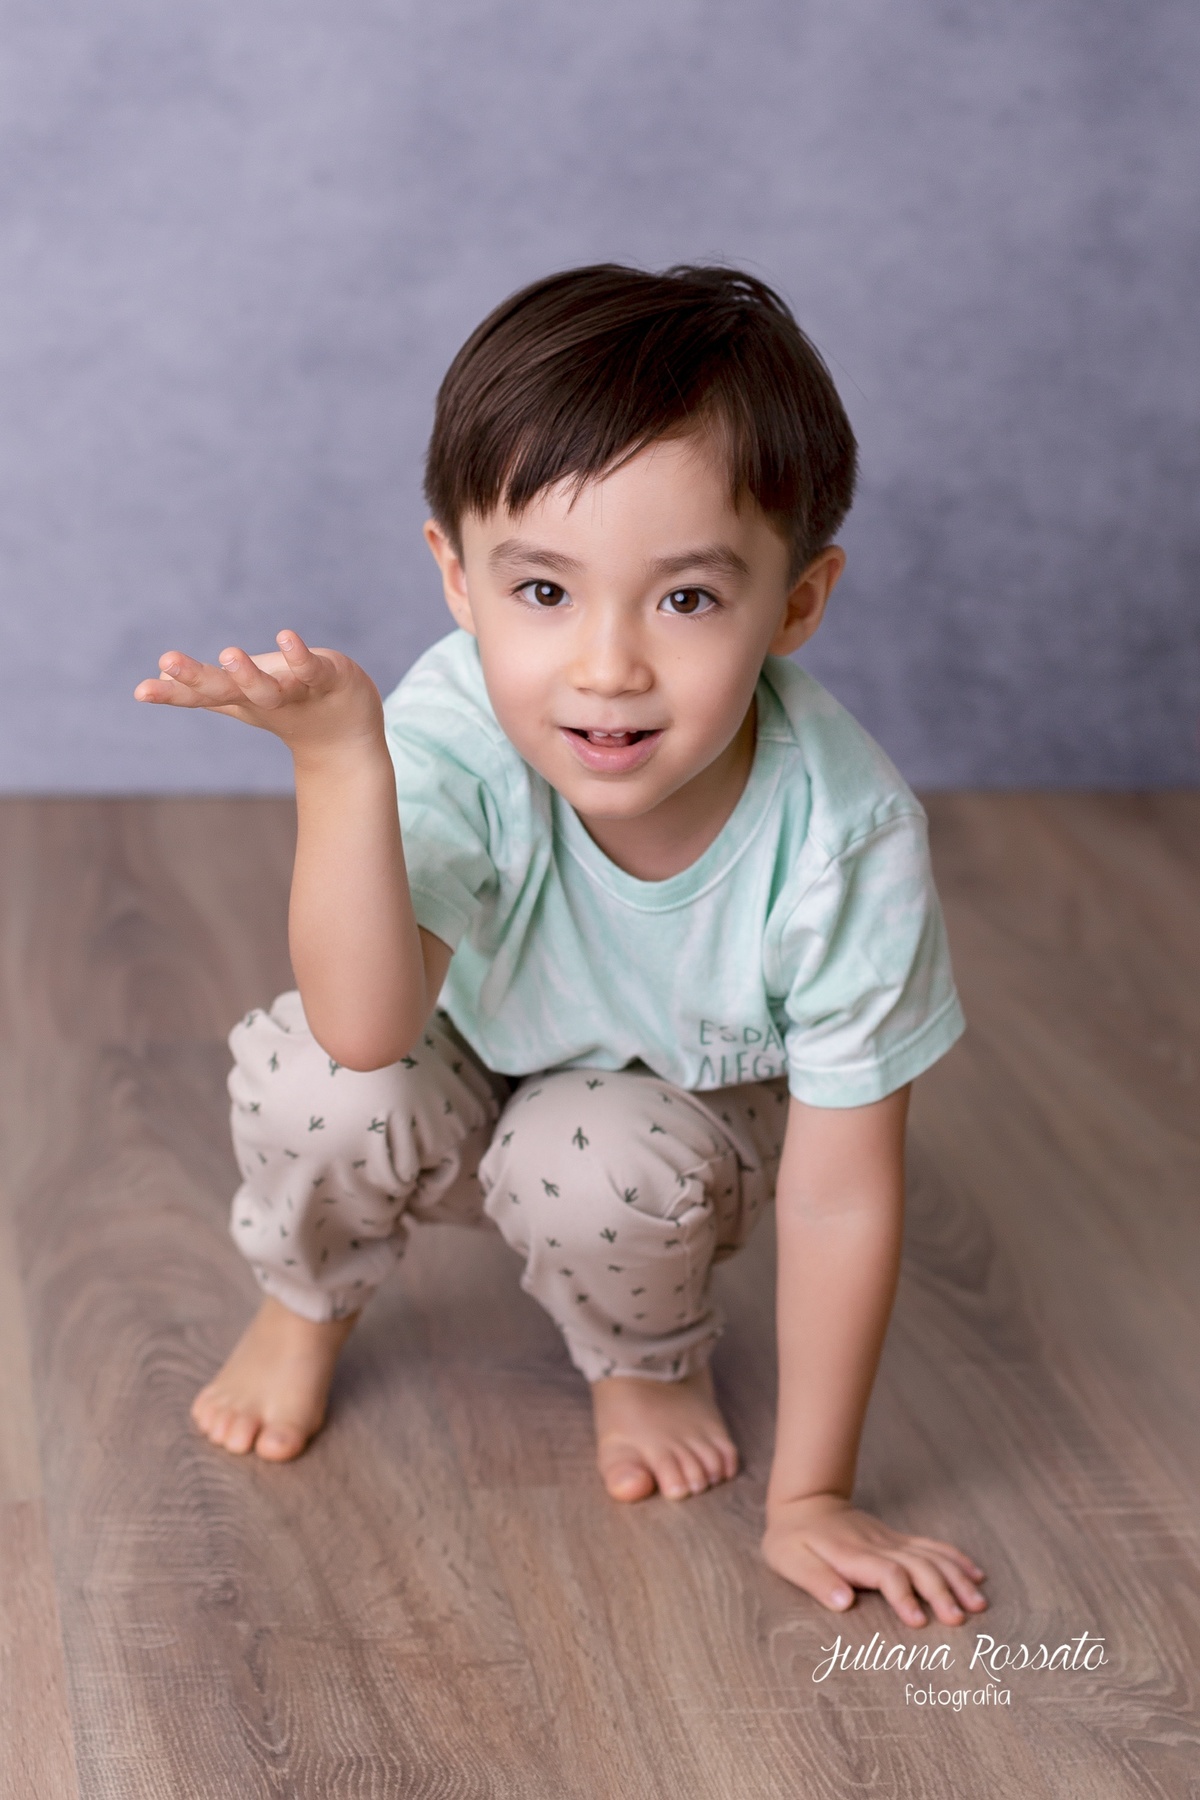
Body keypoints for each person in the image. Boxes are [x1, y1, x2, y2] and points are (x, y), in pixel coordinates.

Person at [135, 264, 987, 1629]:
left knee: (597, 1153)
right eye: (542, 589)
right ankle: (305, 1299)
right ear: (455, 578)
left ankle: (644, 1358)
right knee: (315, 1074)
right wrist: (343, 767)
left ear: (800, 603)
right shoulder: (454, 729)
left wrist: (811, 1495)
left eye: (688, 602)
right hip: (452, 1043)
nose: (606, 667)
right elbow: (366, 1030)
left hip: (666, 1122)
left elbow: (840, 1192)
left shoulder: (843, 836)